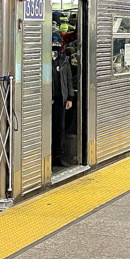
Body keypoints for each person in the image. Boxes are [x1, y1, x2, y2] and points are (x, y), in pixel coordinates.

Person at [52, 30, 75, 166]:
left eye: (57, 44)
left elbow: (69, 80)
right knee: (49, 128)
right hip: (49, 100)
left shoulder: (65, 60)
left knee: (59, 129)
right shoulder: (44, 60)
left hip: (61, 99)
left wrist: (70, 98)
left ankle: (58, 156)